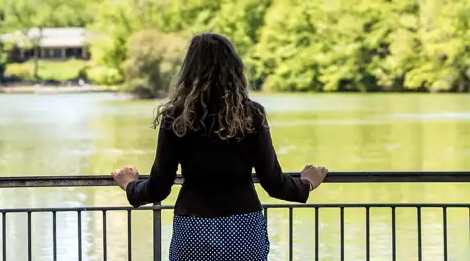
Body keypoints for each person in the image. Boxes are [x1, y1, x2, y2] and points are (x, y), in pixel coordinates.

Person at [111, 32, 328, 261]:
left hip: (193, 229)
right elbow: (274, 183)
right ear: (234, 69)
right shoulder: (251, 114)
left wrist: (130, 186)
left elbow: (159, 187)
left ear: (189, 70)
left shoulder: (175, 117)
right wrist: (307, 183)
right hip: (243, 229)